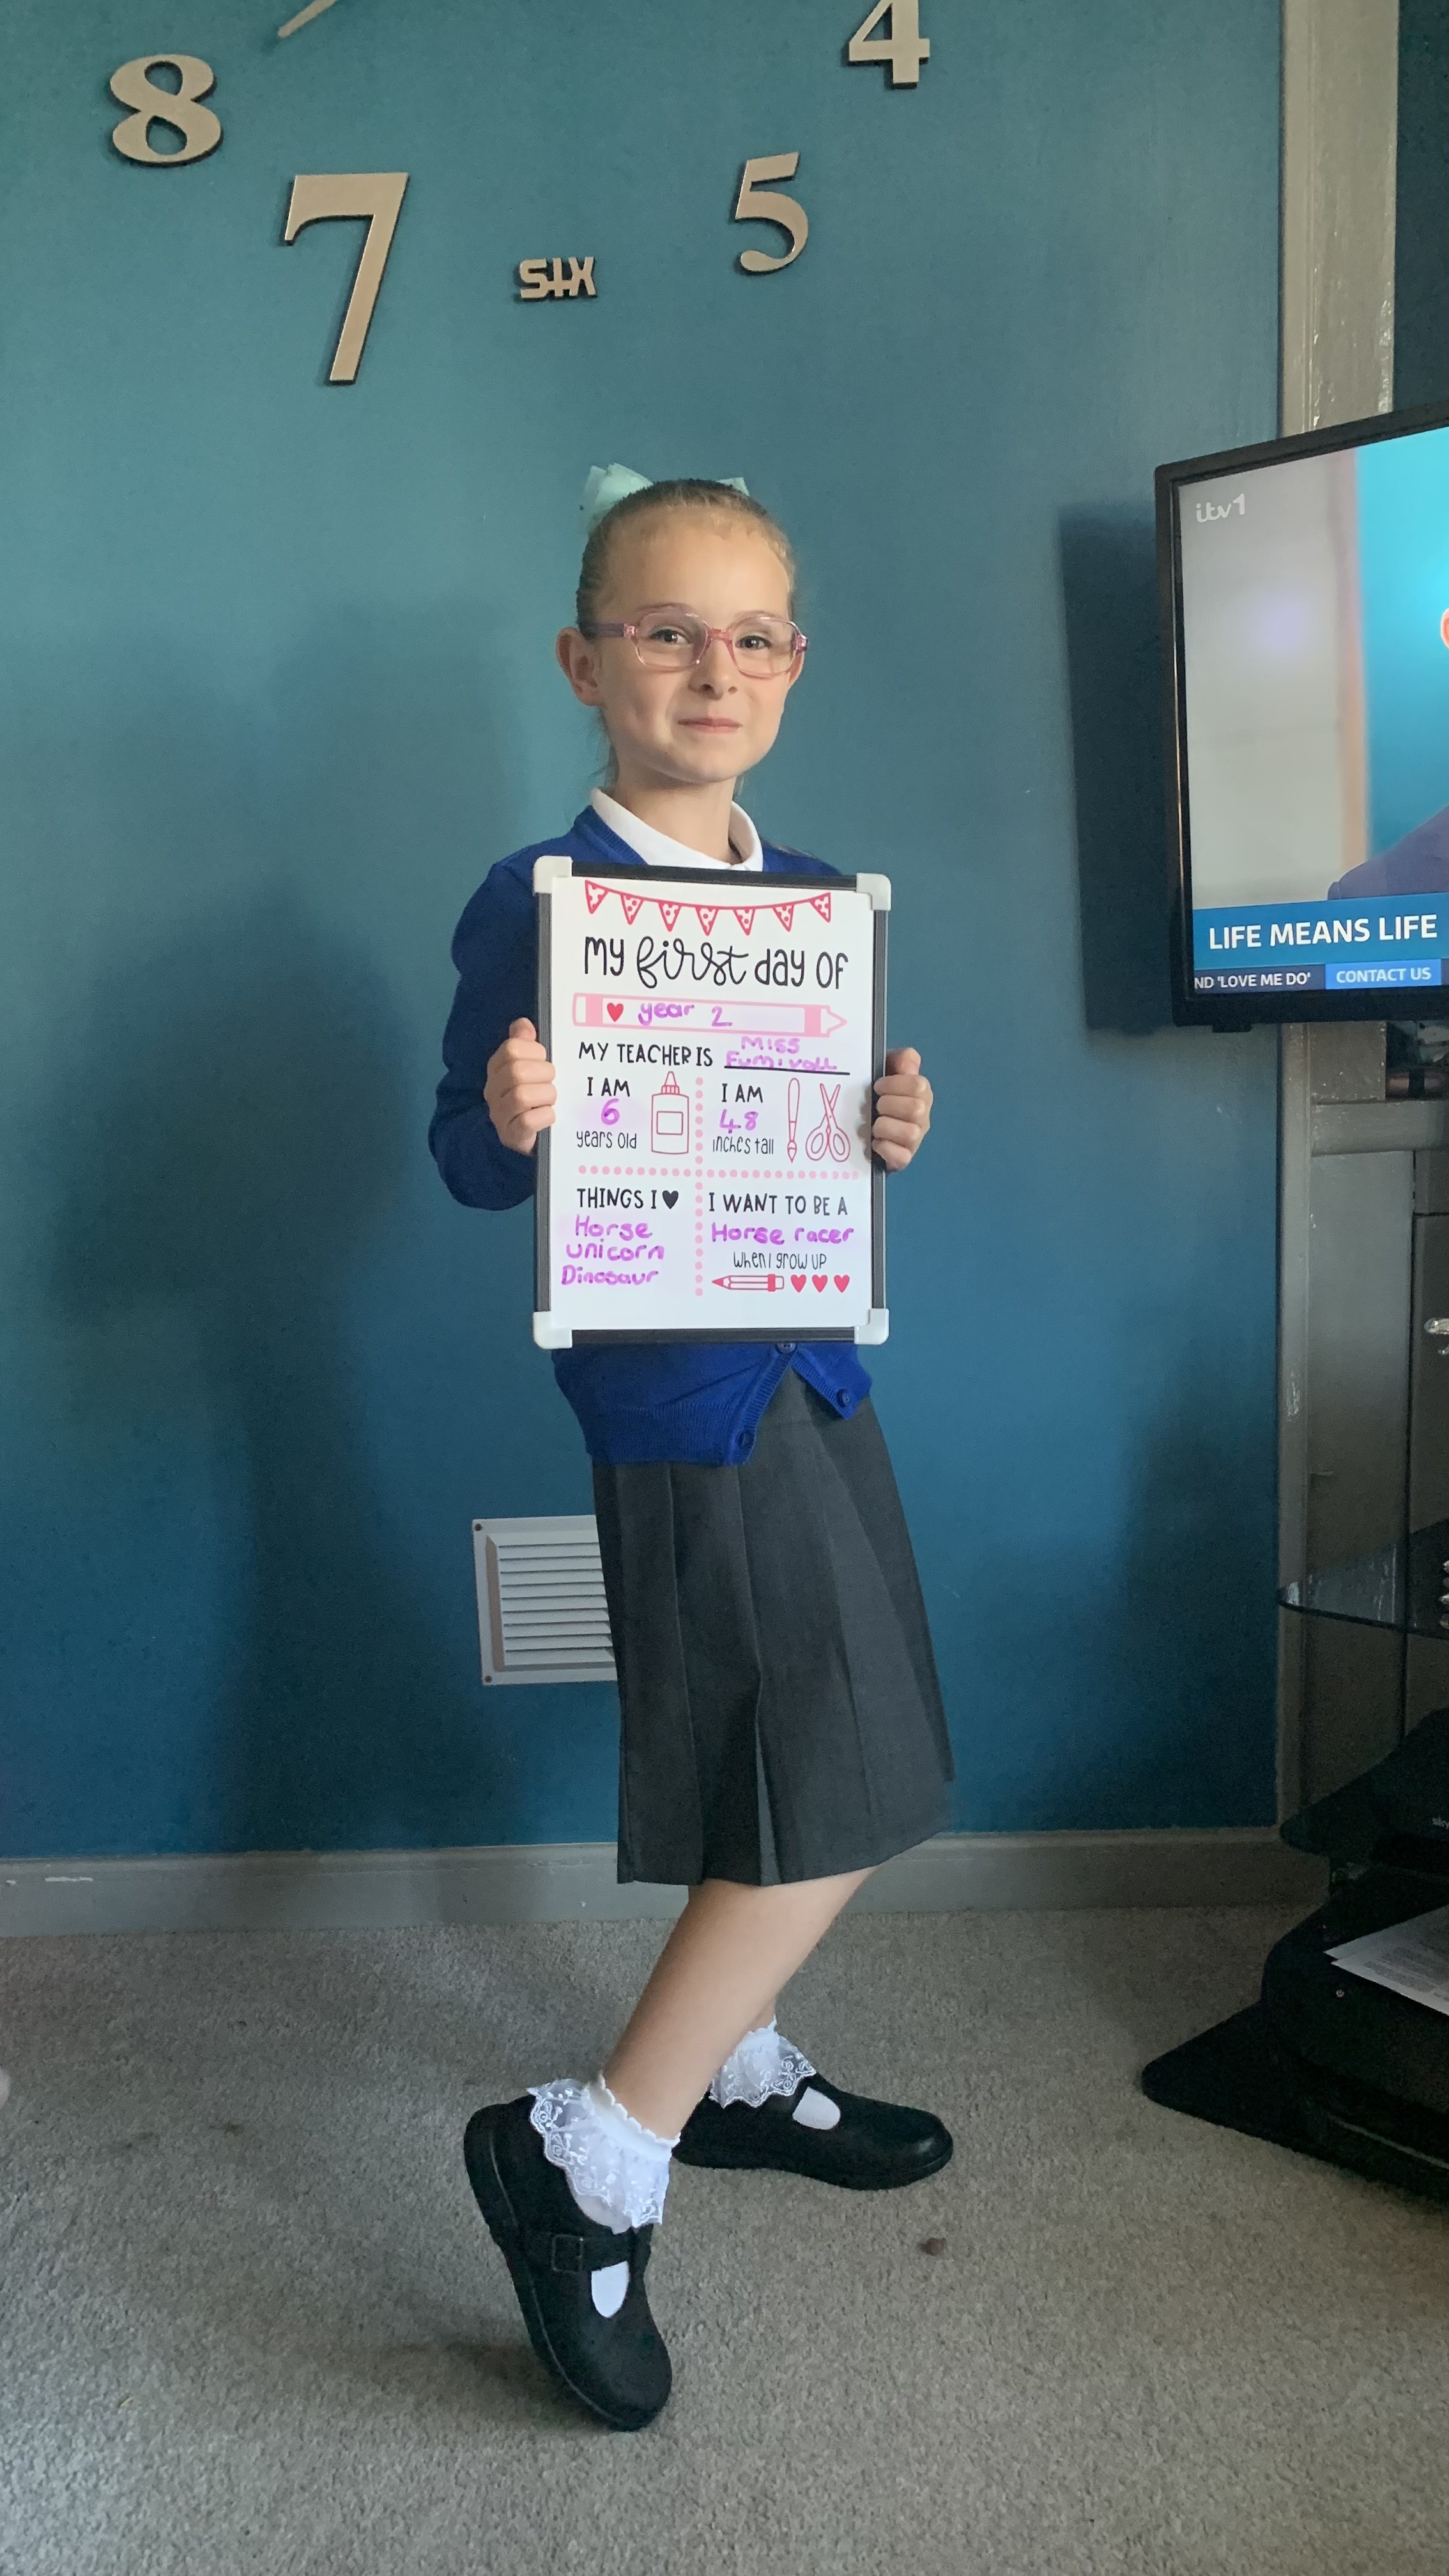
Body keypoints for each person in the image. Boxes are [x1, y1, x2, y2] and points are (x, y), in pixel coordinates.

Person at [429, 468, 954, 2433]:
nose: (707, 667)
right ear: (586, 662)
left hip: (813, 1361)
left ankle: (725, 2061)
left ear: (792, 665)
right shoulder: (538, 900)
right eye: (663, 630)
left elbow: (806, 1143)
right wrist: (509, 1109)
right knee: (823, 1774)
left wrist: (879, 1131)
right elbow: (471, 1173)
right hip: (670, 1391)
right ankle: (595, 2147)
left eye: (747, 635)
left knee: (811, 1735)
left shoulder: (816, 903)